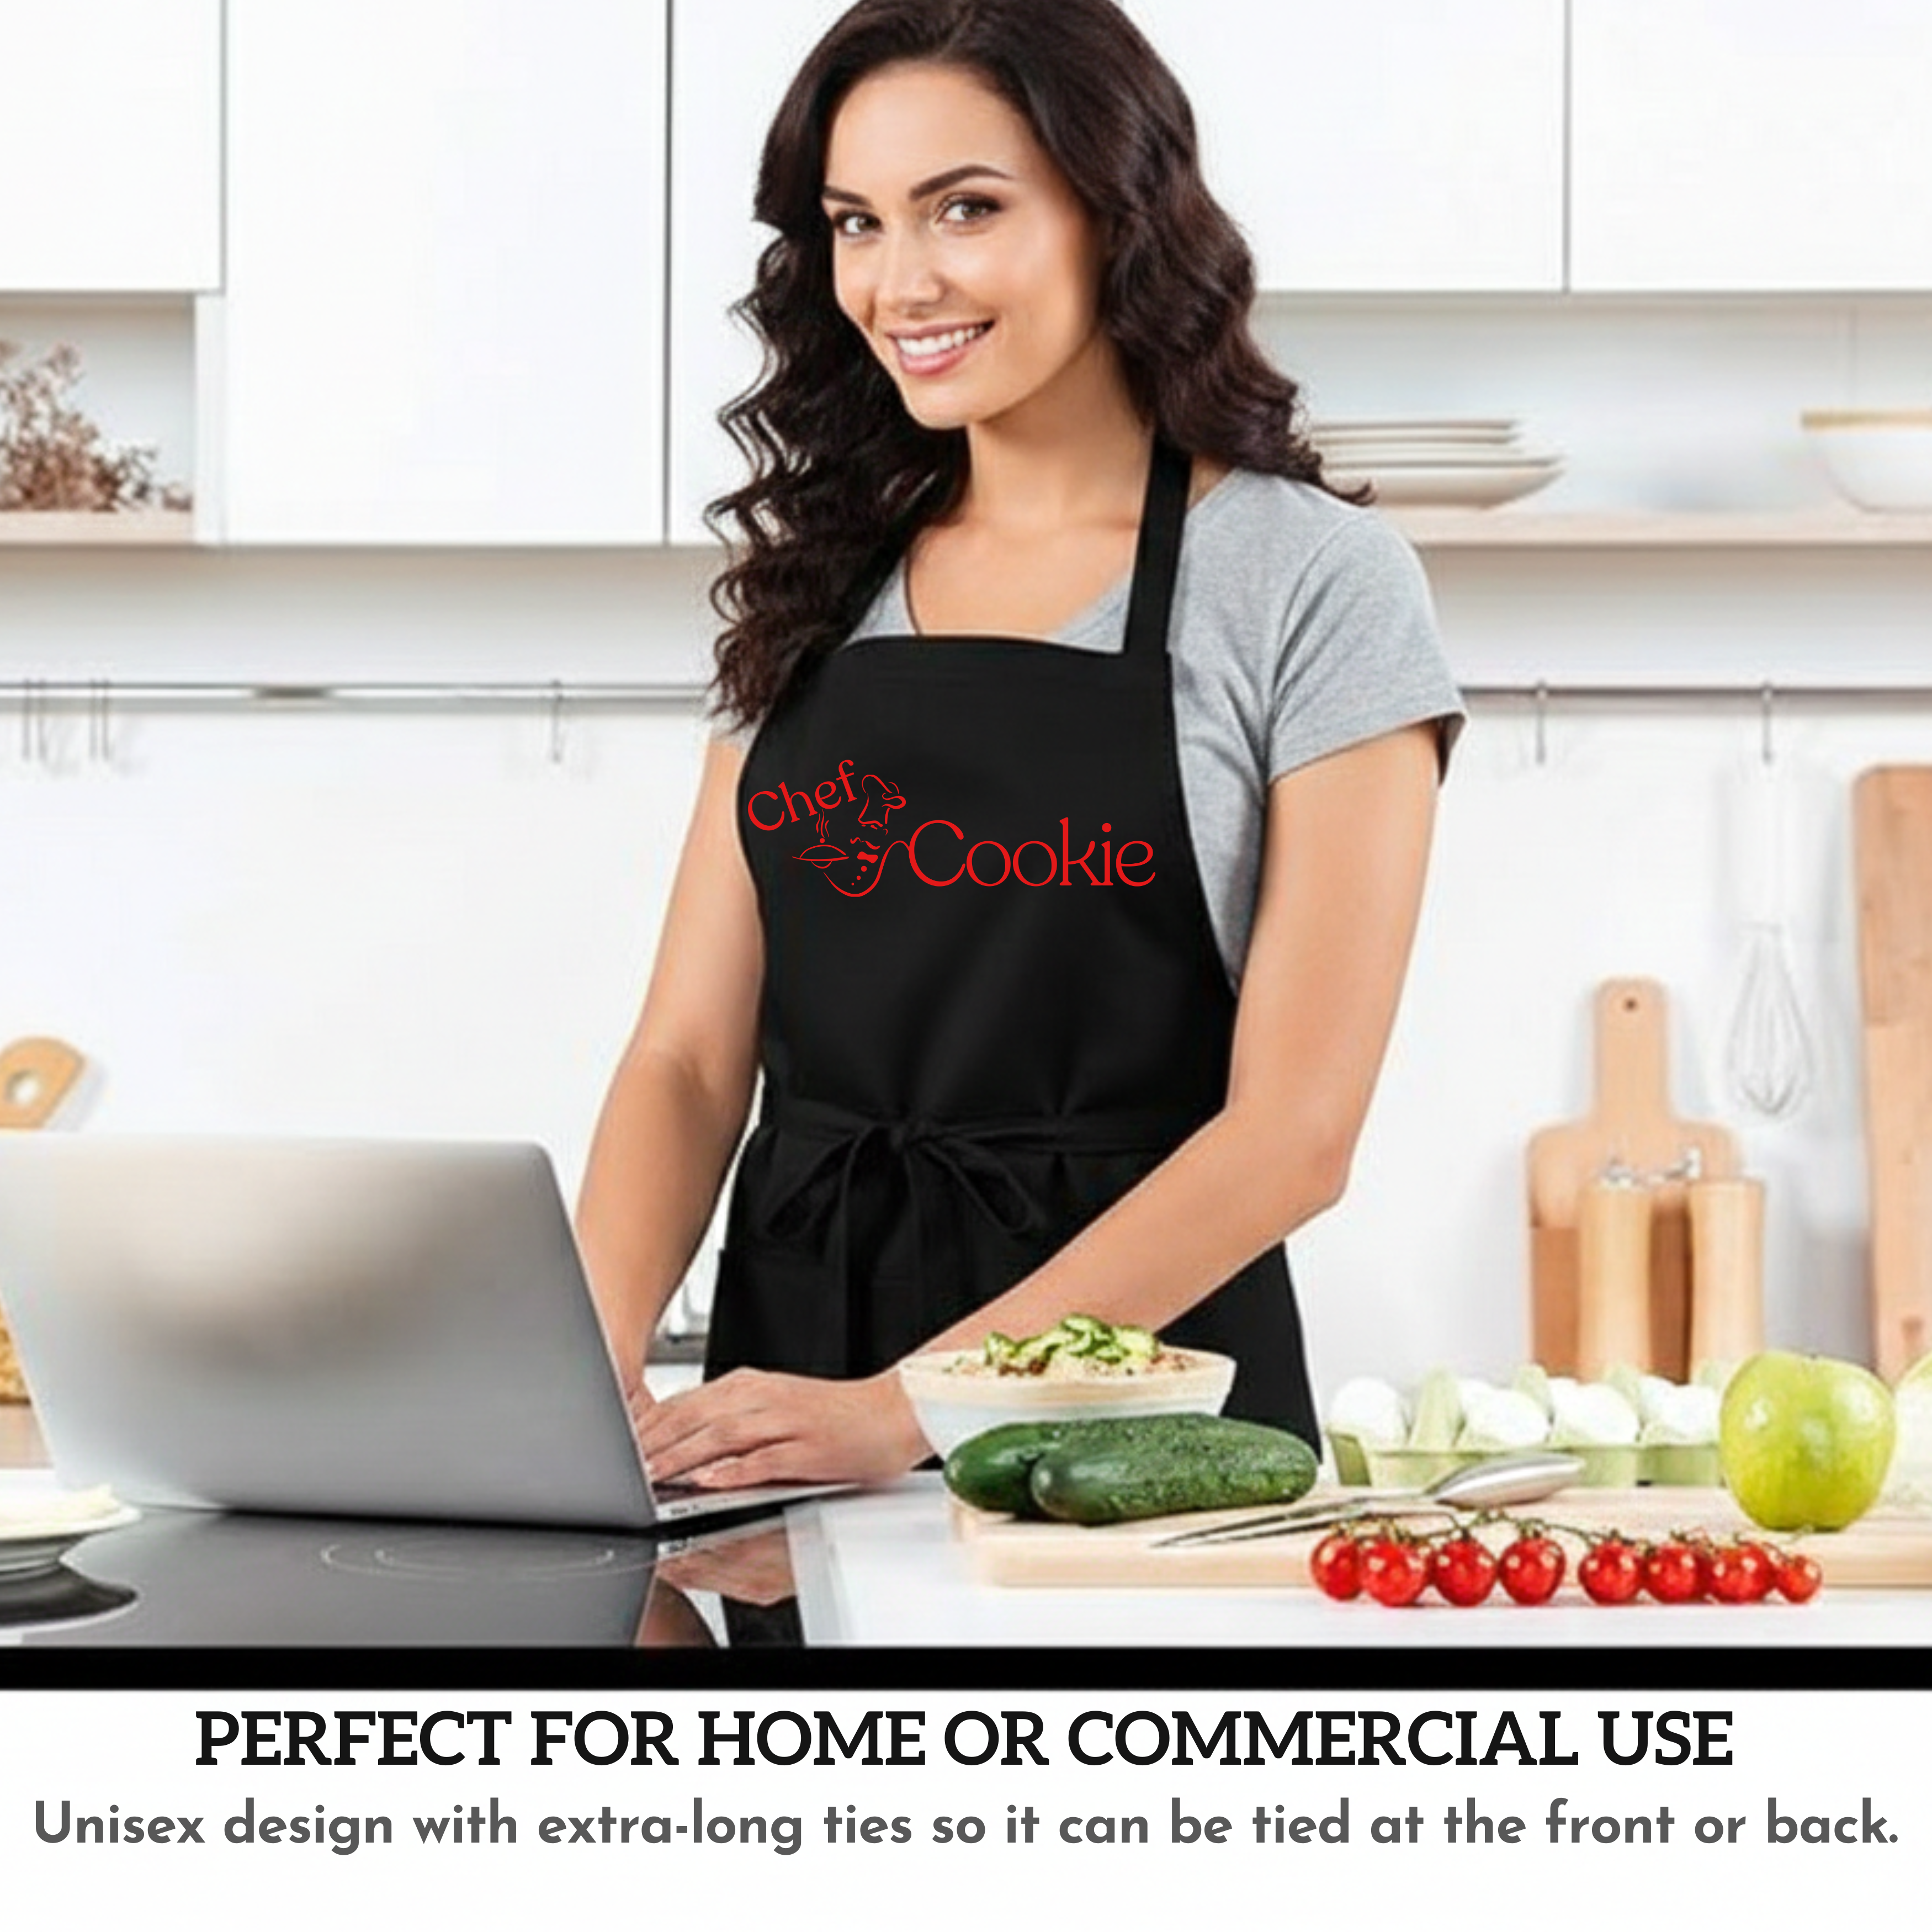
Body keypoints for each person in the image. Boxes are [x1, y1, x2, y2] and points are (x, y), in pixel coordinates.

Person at [575, 0, 1465, 1492]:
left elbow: (1294, 1134)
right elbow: (684, 1052)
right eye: (855, 223)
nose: (897, 279)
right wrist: (582, 1373)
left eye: (964, 210)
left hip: (1140, 1416)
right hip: (788, 1378)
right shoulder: (820, 571)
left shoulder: (1309, 580)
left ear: (1117, 213)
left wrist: (923, 1404)